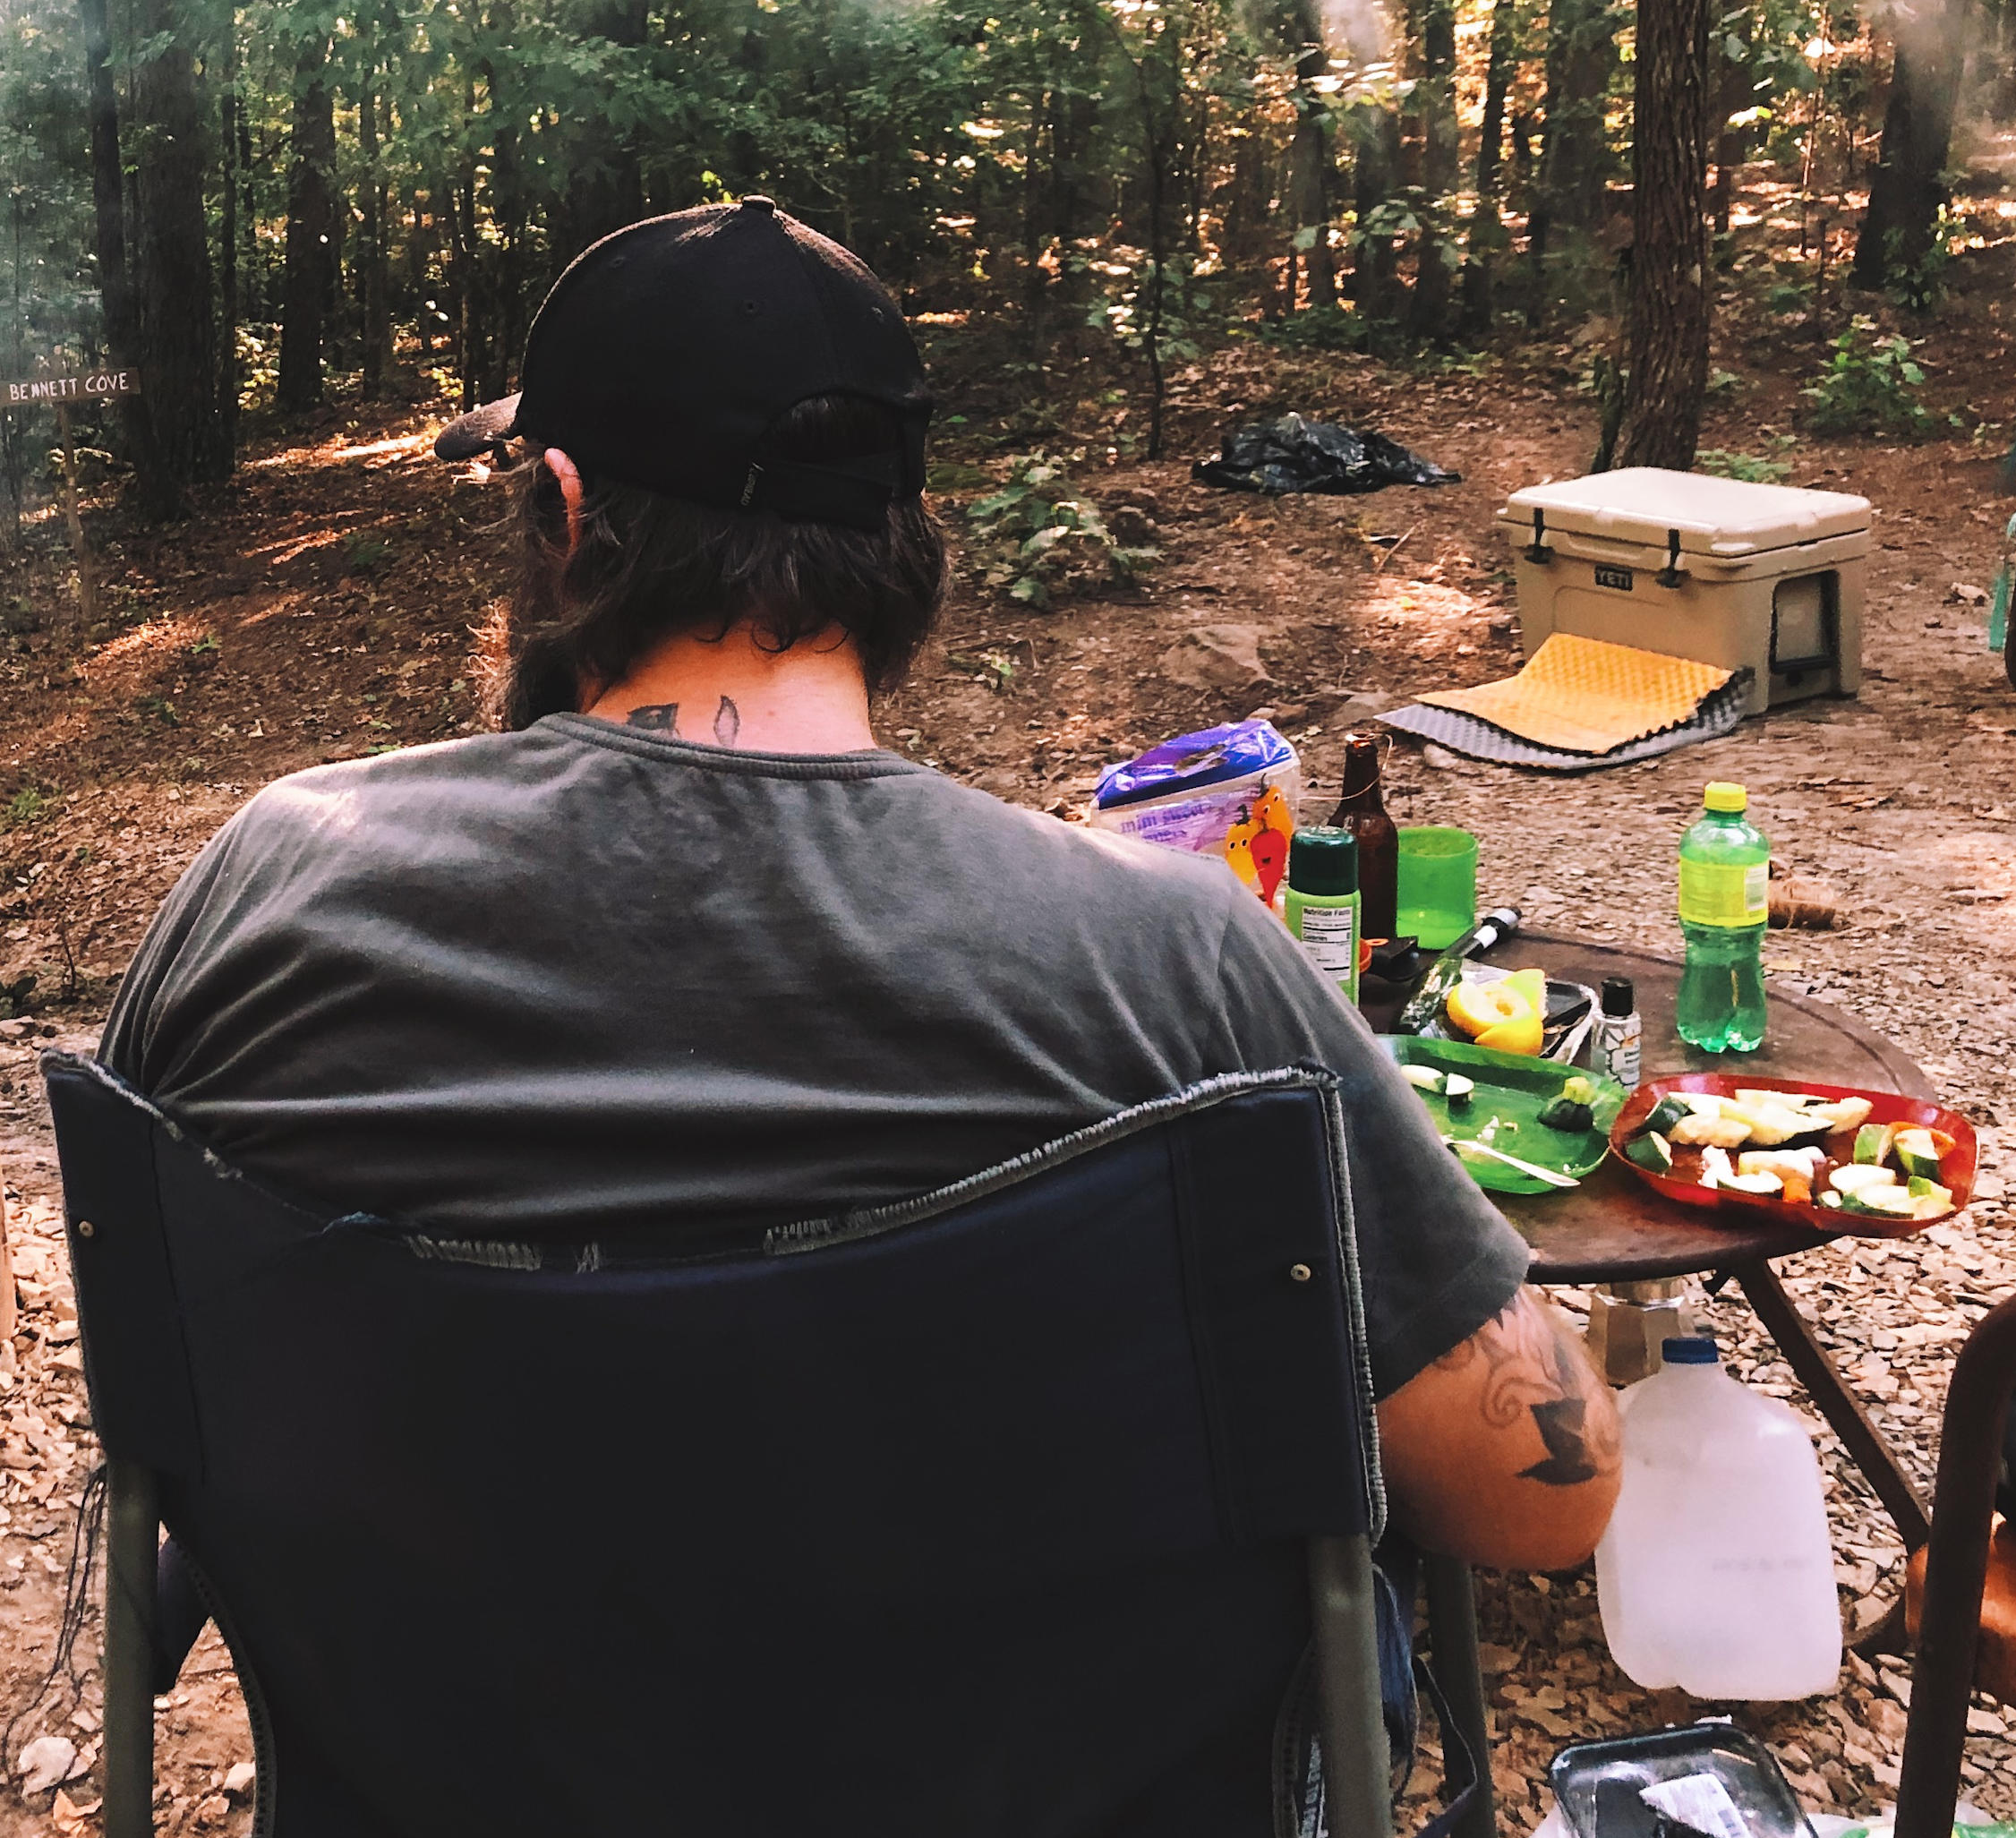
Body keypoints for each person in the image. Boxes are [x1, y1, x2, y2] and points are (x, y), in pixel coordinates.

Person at [102, 194, 1618, 1572]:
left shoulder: (277, 884)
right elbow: (1542, 1506)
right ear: (911, 548)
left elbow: (165, 1436)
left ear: (562, 517)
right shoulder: (1174, 965)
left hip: (439, 1785)